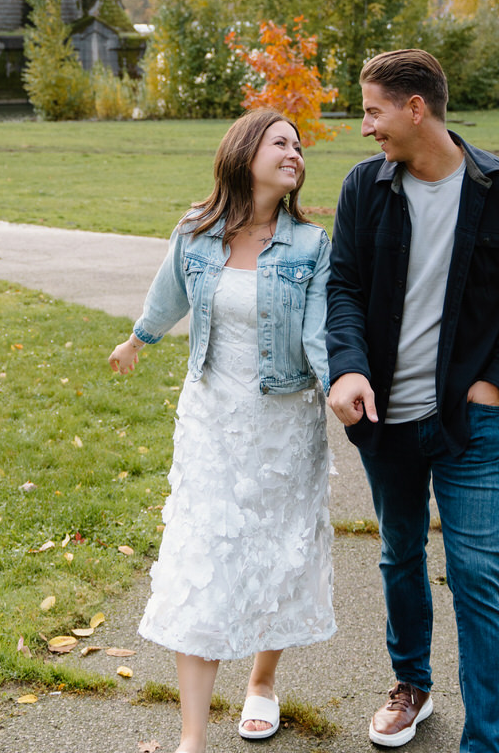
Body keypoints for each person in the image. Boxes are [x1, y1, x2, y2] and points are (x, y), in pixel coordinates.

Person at [327, 49, 499, 752]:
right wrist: (349, 369)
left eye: (372, 109)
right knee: (399, 554)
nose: (365, 127)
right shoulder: (366, 188)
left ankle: (487, 742)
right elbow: (344, 290)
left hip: (471, 423)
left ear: (415, 108)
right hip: (386, 419)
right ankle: (411, 687)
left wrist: (498, 383)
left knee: (477, 575)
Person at [108, 107, 335, 753]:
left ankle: (262, 683)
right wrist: (138, 340)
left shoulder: (313, 246)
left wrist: (340, 385)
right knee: (200, 558)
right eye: (281, 142)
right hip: (210, 420)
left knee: (278, 553)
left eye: (299, 145)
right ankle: (192, 739)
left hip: (284, 425)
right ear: (244, 152)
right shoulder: (196, 231)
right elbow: (168, 293)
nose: (295, 152)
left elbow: (318, 331)